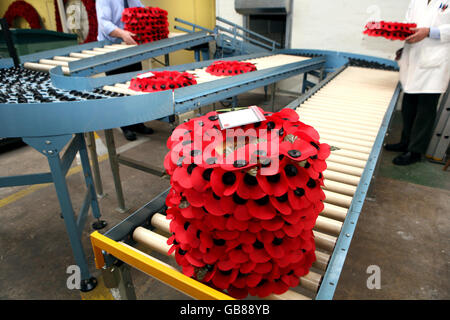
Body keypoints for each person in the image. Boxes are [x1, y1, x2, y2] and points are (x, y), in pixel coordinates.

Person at [385, 0, 450, 165]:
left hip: (436, 60)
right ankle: (405, 142)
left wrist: (429, 32)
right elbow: (409, 23)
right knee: (409, 104)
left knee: (425, 109)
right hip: (413, 55)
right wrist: (402, 35)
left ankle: (415, 151)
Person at [96, 0, 154, 141]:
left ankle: (138, 122)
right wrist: (122, 33)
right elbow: (104, 23)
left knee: (135, 85)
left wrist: (152, 19)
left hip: (130, 45)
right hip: (111, 47)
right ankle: (126, 125)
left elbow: (141, 11)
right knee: (119, 89)